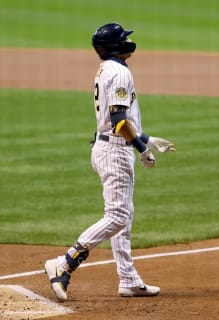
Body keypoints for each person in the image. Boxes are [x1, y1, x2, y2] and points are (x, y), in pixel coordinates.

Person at [45, 22, 175, 301]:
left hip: (108, 146)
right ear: (117, 46)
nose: (129, 41)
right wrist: (142, 148)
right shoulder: (119, 73)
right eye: (124, 38)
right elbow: (118, 121)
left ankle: (128, 279)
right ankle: (65, 262)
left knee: (123, 217)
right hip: (116, 150)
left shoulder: (108, 68)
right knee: (118, 216)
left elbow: (116, 120)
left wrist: (148, 138)